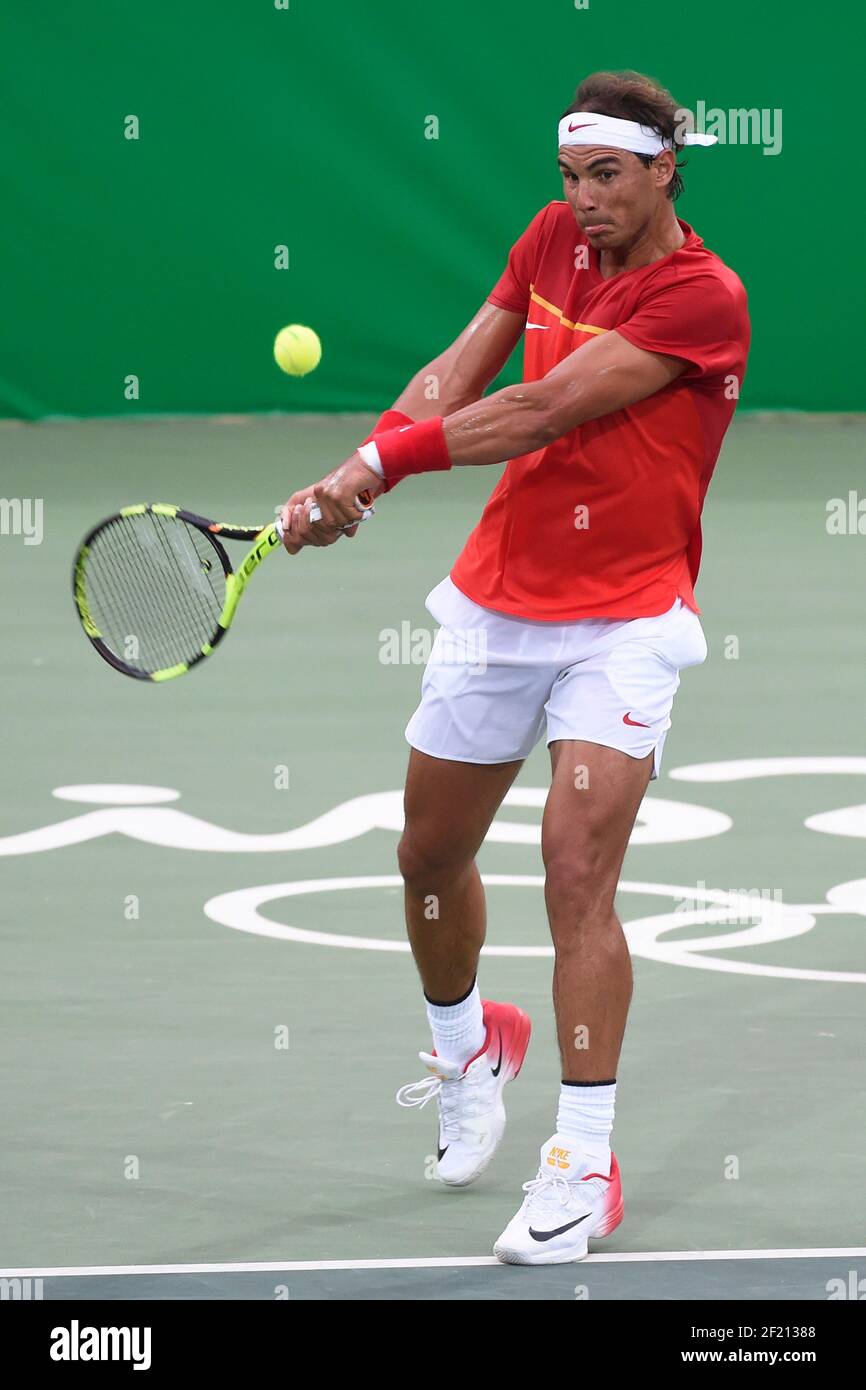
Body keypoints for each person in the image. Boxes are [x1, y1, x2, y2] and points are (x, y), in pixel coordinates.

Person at [280, 69, 750, 1265]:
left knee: (572, 866)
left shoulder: (703, 298)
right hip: (497, 600)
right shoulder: (548, 240)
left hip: (627, 618)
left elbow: (540, 409)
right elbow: (461, 369)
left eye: (606, 175)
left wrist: (383, 470)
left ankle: (581, 1166)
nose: (582, 200)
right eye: (568, 177)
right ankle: (466, 1049)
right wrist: (354, 464)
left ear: (662, 170)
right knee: (427, 853)